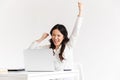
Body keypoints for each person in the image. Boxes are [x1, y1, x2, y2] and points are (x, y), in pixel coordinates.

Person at [29, 1, 83, 80]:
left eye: (58, 35)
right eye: (53, 35)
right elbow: (30, 51)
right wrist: (41, 39)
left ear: (63, 37)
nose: (55, 38)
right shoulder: (48, 48)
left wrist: (80, 11)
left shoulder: (69, 46)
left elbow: (76, 31)